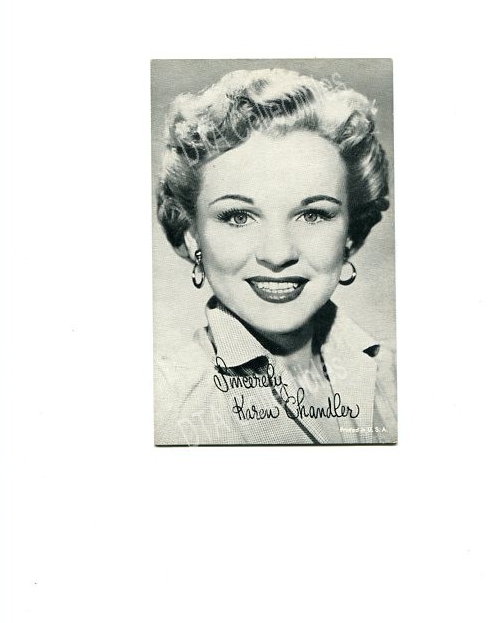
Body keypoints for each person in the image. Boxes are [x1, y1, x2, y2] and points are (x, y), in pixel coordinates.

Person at [154, 67, 397, 445]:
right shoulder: (161, 402)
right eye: (238, 217)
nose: (278, 254)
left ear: (350, 233)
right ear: (191, 232)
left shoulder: (398, 378)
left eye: (313, 215)